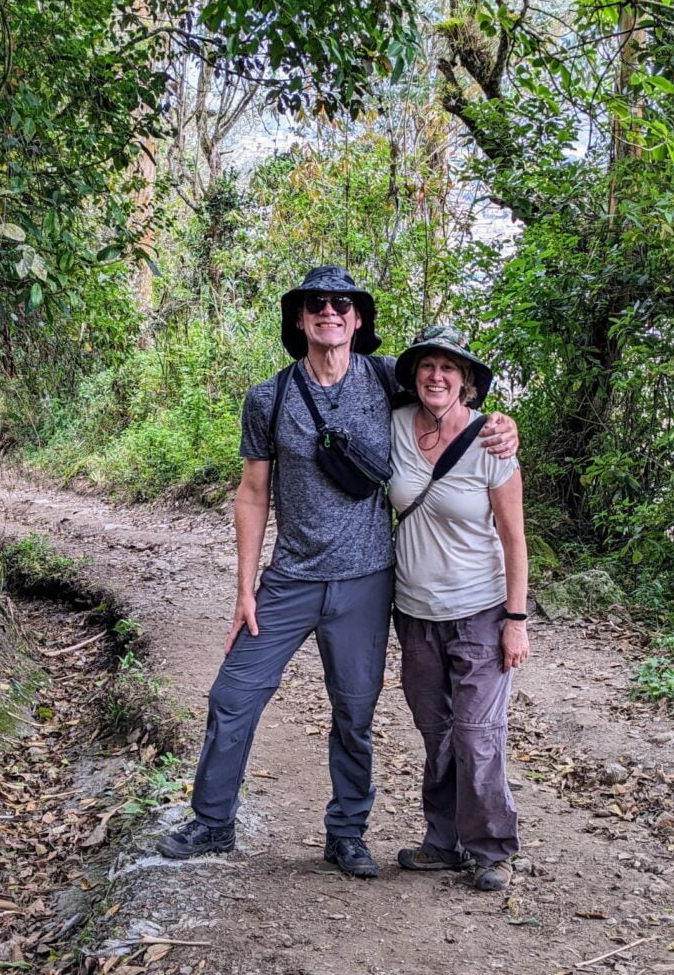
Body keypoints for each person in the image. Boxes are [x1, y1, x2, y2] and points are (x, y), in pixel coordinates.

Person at [156, 269, 519, 878]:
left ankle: (347, 833)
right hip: (289, 578)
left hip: (367, 582)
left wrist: (503, 426)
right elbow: (252, 493)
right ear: (300, 320)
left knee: (354, 711)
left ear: (357, 320)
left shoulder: (383, 381)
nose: (330, 311)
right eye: (316, 304)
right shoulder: (267, 399)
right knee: (233, 695)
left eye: (342, 304)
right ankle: (213, 822)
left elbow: (449, 407)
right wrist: (244, 586)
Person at [388, 324, 529, 892]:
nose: (437, 376)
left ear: (466, 381)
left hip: (481, 609)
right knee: (436, 730)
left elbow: (514, 536)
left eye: (449, 368)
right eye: (427, 366)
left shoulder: (491, 442)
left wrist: (516, 622)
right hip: (414, 611)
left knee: (477, 732)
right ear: (415, 377)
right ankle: (442, 843)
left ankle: (491, 848)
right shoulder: (394, 424)